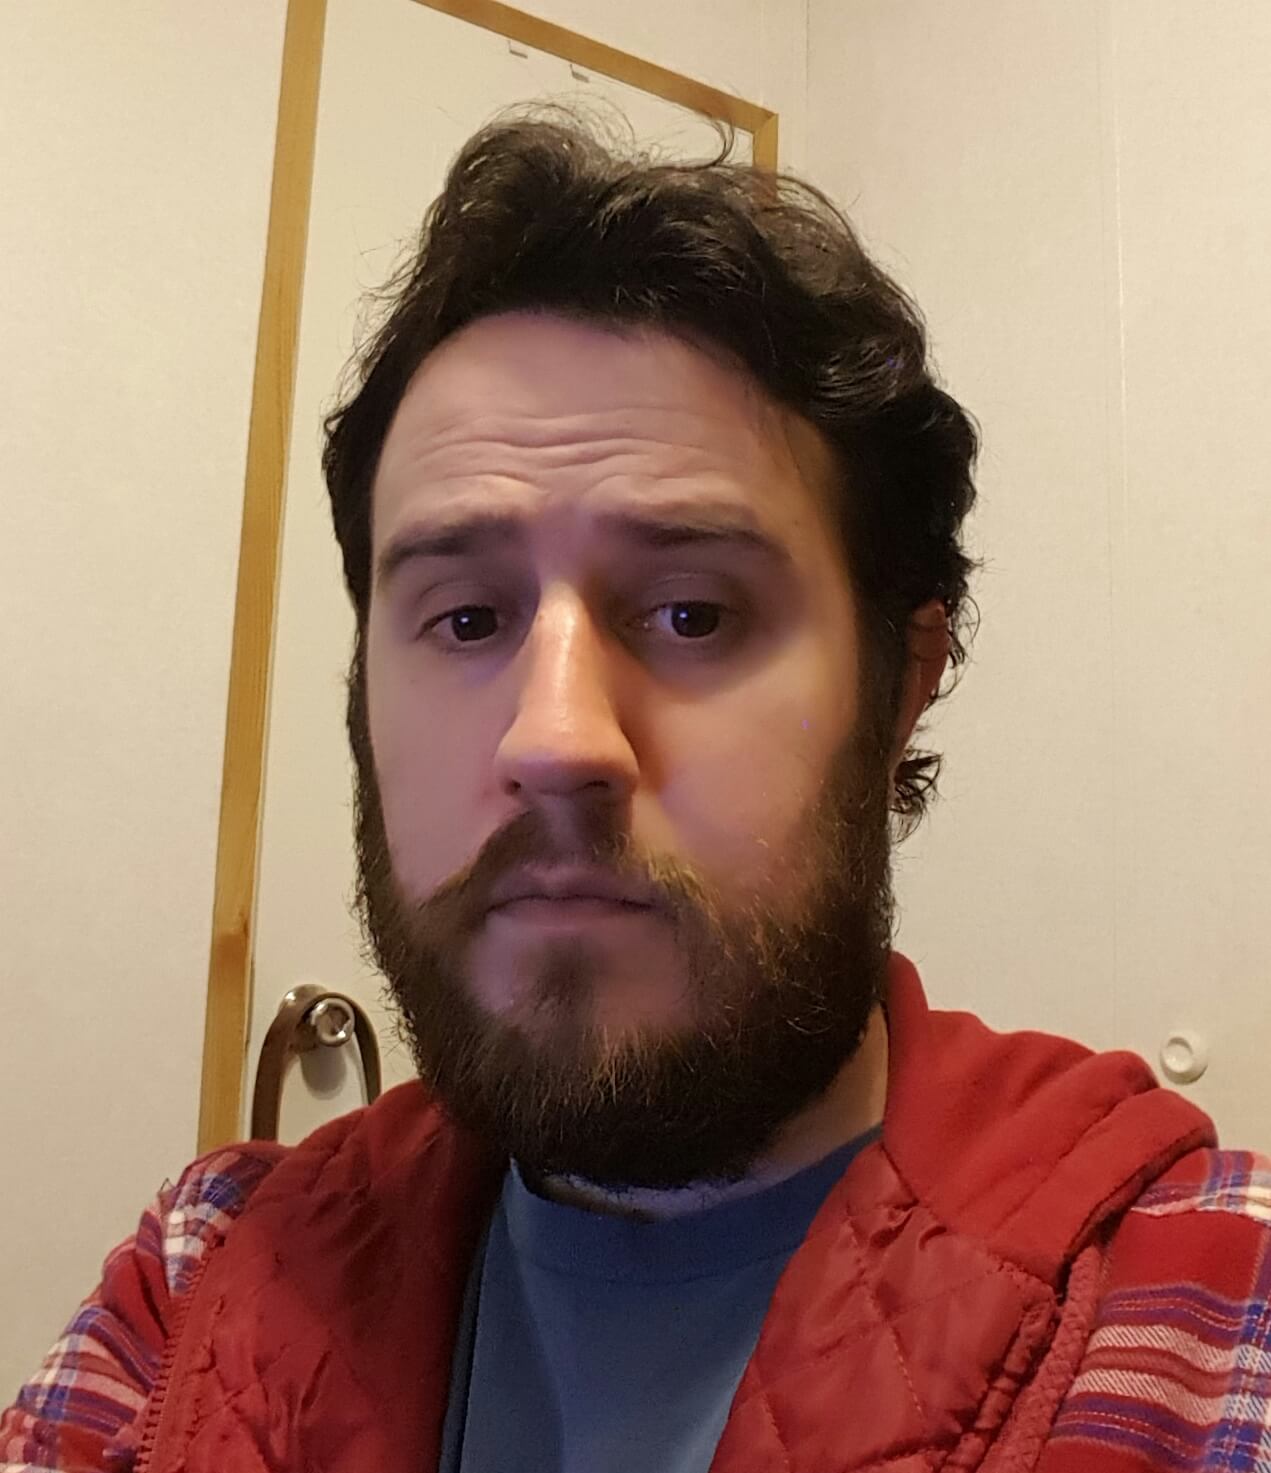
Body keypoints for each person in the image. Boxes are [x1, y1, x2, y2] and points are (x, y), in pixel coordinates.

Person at [4, 115, 1268, 1473]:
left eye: (690, 613)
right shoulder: (195, 1284)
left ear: (901, 682)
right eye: (468, 618)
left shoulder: (1198, 1322)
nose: (556, 739)